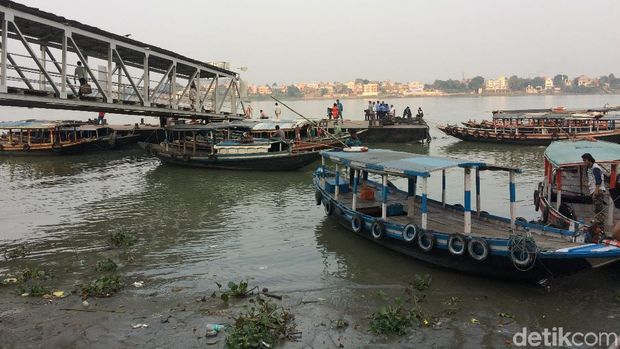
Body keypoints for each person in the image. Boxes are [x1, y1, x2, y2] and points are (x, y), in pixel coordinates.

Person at [582, 153, 607, 241]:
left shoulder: (595, 167)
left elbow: (598, 180)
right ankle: (599, 232)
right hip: (594, 192)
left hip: (598, 192)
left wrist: (596, 191)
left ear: (589, 160)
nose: (584, 162)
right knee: (597, 212)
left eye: (585, 160)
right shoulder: (590, 168)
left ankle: (601, 233)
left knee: (599, 213)